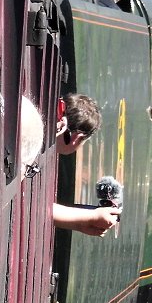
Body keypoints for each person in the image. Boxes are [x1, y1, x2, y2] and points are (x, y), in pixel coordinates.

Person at [50, 93, 119, 236]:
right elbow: (33, 208)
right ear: (77, 138)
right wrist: (90, 217)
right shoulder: (33, 149)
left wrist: (80, 224)